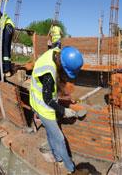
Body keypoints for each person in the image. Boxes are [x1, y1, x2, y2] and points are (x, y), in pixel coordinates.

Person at [29, 46, 83, 174]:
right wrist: (64, 111)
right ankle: (71, 169)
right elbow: (47, 99)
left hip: (43, 98)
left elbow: (57, 83)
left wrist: (66, 98)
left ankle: (58, 158)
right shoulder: (48, 72)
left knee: (50, 132)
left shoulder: (58, 53)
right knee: (59, 138)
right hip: (42, 104)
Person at [0, 12, 15, 77]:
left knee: (4, 47)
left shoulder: (0, 15)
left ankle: (7, 70)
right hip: (10, 28)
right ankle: (8, 68)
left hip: (7, 27)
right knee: (7, 48)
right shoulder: (2, 16)